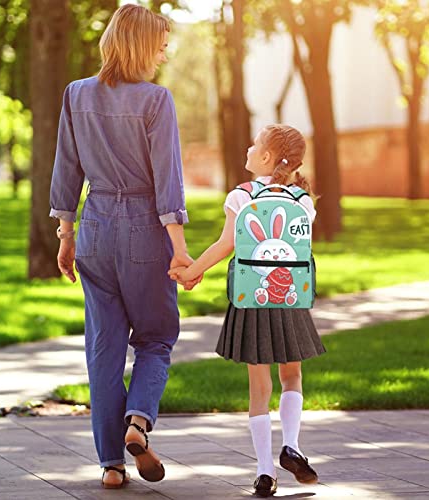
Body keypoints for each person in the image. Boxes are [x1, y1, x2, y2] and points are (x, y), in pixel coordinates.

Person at [49, 4, 200, 490]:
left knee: (104, 348)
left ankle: (111, 464)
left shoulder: (76, 94)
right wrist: (179, 249)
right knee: (156, 338)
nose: (163, 52)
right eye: (159, 44)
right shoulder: (157, 100)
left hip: (93, 228)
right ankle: (138, 422)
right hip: (144, 230)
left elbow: (66, 170)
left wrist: (66, 235)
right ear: (138, 45)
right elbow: (167, 182)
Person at [169, 124, 326, 497]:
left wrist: (191, 272)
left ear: (267, 157)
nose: (248, 147)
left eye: (255, 144)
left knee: (259, 388)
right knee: (292, 377)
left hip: (251, 298)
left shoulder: (242, 196)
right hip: (290, 298)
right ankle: (293, 445)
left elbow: (226, 244)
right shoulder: (302, 199)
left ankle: (264, 471)